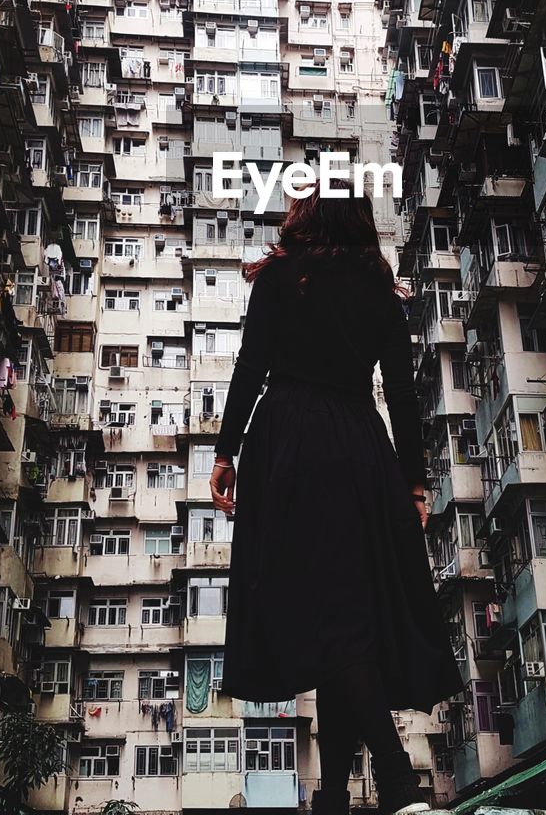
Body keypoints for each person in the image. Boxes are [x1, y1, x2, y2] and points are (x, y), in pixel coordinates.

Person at [209, 186, 464, 815]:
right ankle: (332, 798)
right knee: (346, 620)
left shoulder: (277, 281)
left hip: (288, 448)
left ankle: (398, 784)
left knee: (336, 625)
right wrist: (413, 481)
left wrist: (226, 453)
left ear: (307, 218)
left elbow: (250, 367)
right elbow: (402, 396)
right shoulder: (378, 291)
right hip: (358, 447)